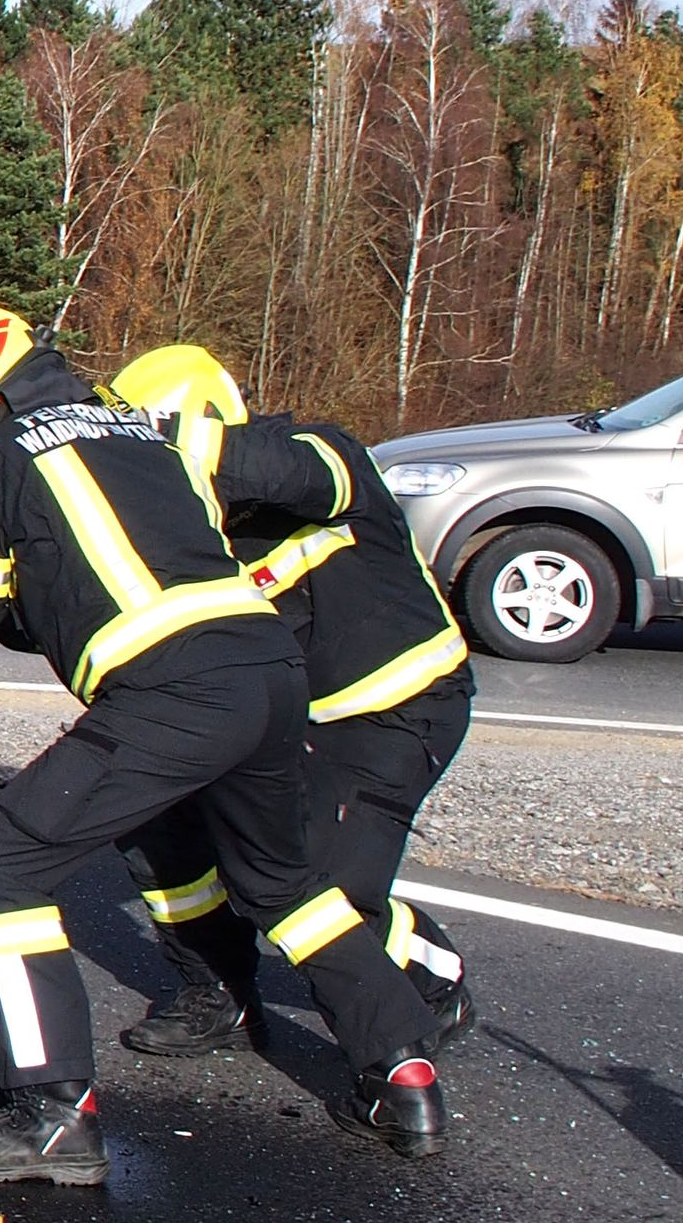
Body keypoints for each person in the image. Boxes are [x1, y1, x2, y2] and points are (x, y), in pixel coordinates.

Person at [0, 304, 453, 1184]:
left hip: (172, 689)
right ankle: (402, 1073)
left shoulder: (4, 453)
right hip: (271, 673)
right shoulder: (147, 437)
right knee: (286, 886)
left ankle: (50, 1116)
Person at [105, 346, 477, 1058]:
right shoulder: (187, 524)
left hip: (391, 716)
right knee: (154, 815)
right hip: (274, 720)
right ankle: (216, 988)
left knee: (316, 895)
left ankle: (432, 974)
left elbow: (284, 473)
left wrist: (159, 441)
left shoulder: (320, 453)